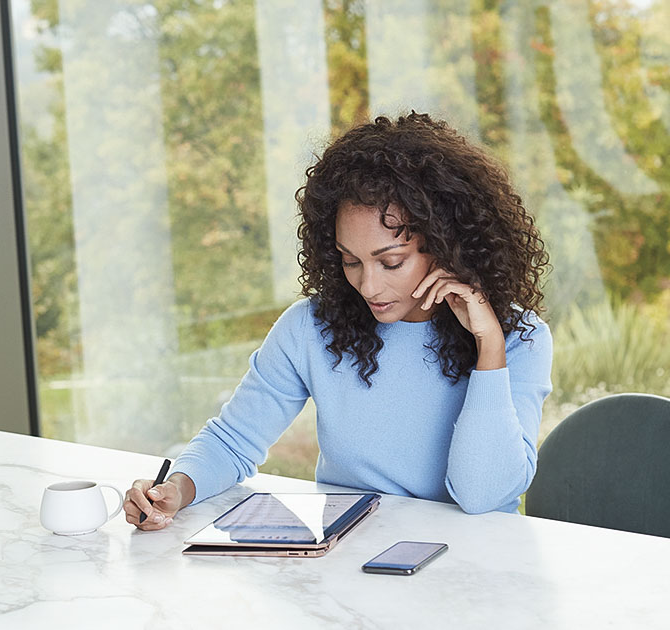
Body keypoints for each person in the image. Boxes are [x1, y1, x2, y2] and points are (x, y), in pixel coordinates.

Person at [124, 112, 553, 530]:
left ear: (446, 246)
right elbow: (232, 439)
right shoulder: (311, 329)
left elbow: (483, 497)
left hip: (474, 570)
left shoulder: (517, 340)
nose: (368, 286)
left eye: (391, 262)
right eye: (351, 261)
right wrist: (176, 490)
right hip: (347, 565)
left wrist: (489, 349)